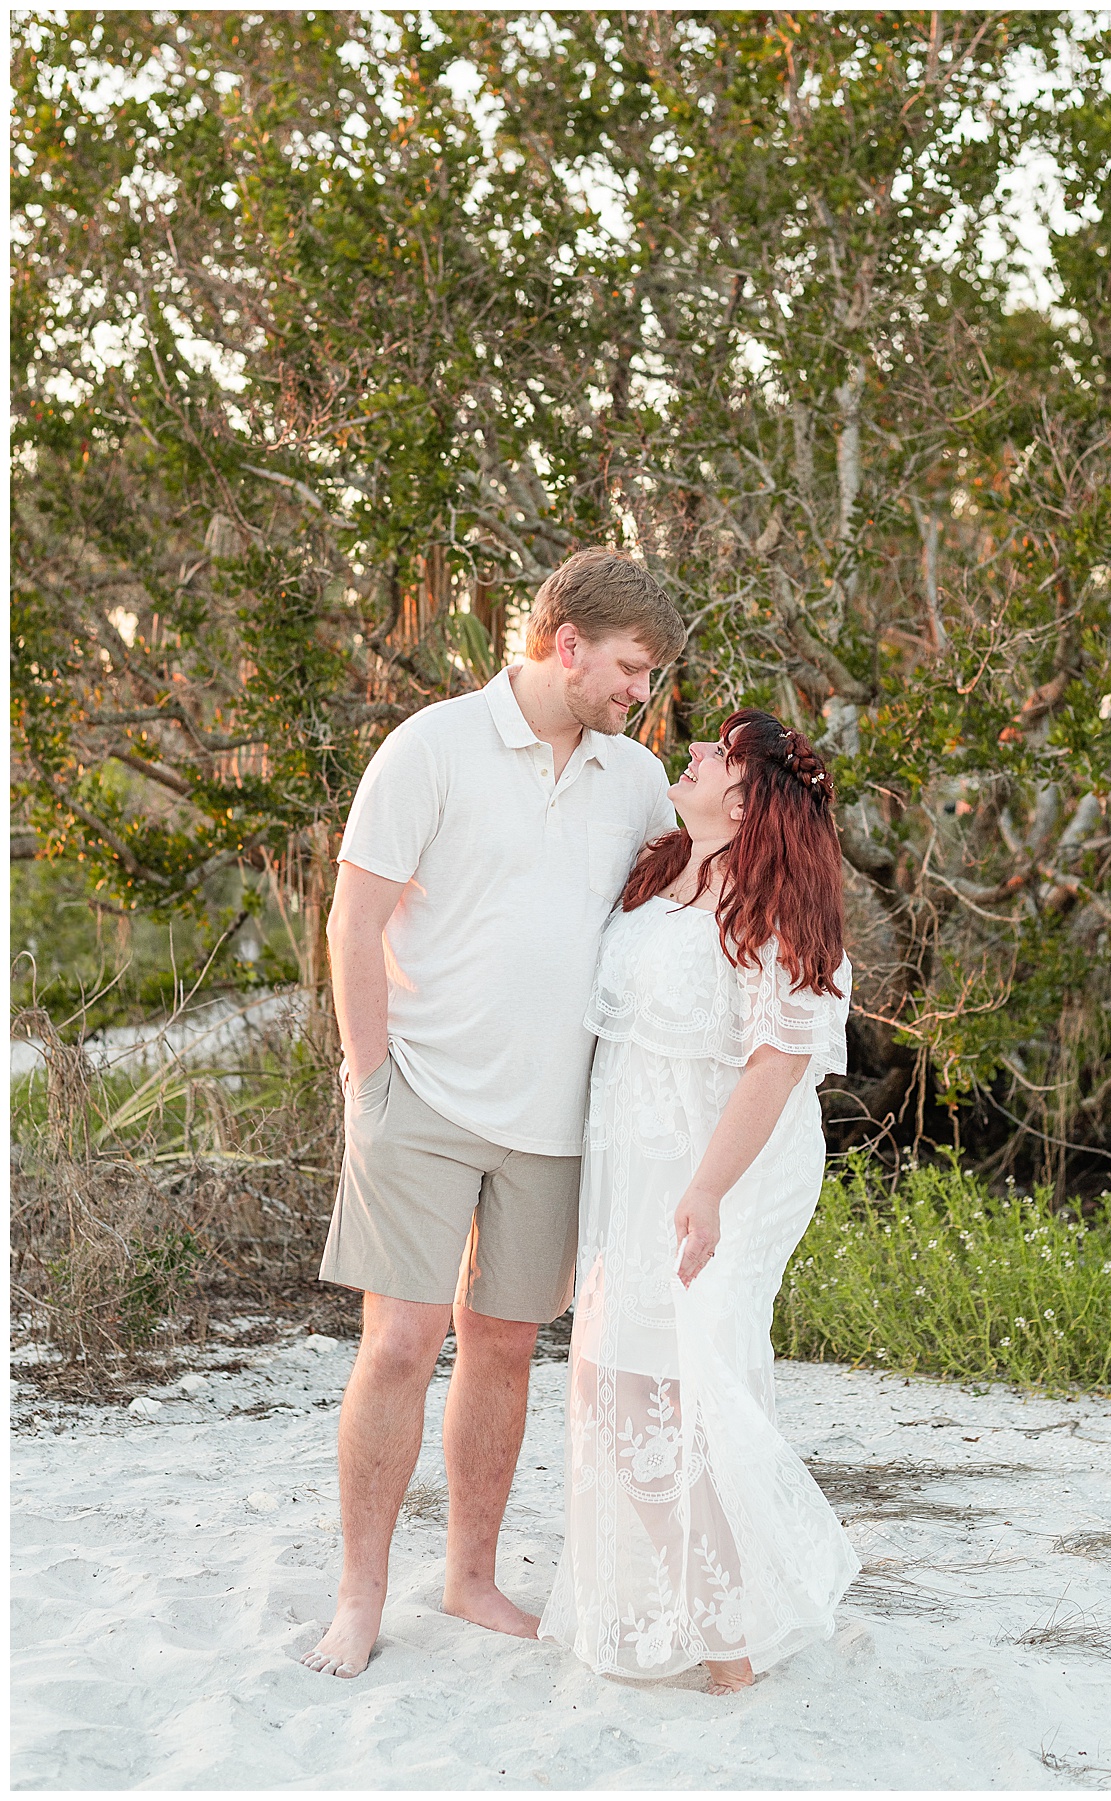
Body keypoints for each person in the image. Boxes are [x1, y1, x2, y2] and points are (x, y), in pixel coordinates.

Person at [305, 549, 687, 1677]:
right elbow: (354, 916)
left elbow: (682, 906)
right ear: (566, 645)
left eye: (651, 677)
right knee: (400, 1344)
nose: (639, 693)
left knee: (506, 1347)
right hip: (419, 1093)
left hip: (560, 1121)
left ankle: (469, 1579)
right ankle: (360, 1595)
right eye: (629, 668)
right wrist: (366, 1077)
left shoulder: (631, 777)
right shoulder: (431, 746)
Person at [538, 708, 861, 1694]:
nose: (693, 756)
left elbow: (778, 1058)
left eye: (716, 752)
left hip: (724, 1164)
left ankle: (730, 1649)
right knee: (614, 1386)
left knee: (675, 1390)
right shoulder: (657, 867)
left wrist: (709, 1187)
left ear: (748, 792)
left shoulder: (776, 901)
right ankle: (721, 1620)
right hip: (633, 1157)